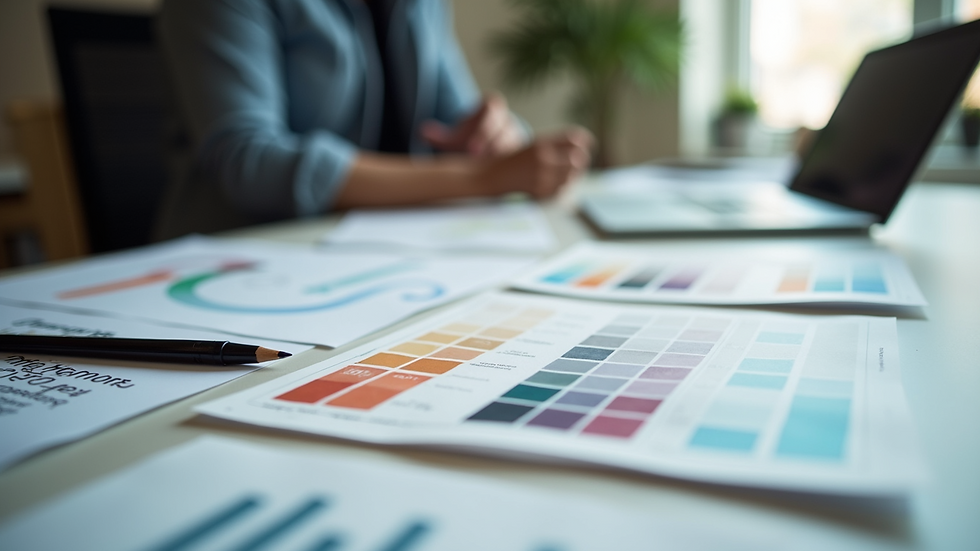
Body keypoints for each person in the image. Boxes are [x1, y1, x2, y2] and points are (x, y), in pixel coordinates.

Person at [154, 0, 593, 239]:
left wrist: (499, 136)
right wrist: (481, 177)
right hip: (245, 256)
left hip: (390, 252)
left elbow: (459, 121)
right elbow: (249, 162)